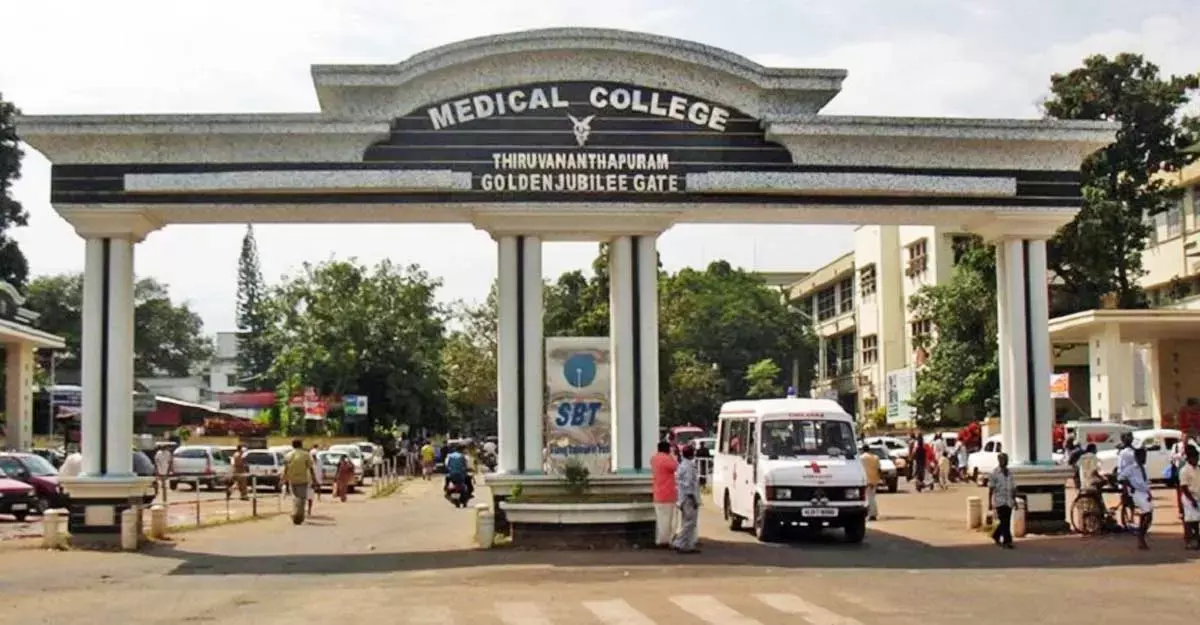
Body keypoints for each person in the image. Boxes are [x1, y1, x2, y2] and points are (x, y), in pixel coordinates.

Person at [1119, 446, 1154, 550]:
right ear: (1137, 457)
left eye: (1145, 456)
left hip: (1145, 493)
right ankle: (1140, 536)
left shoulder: (1144, 468)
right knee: (1147, 514)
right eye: (1142, 456)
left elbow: (1145, 482)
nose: (1144, 458)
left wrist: (1149, 493)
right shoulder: (1131, 468)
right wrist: (1130, 487)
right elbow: (1121, 478)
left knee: (1148, 515)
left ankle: (1141, 534)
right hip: (1136, 493)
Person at [281, 439, 319, 525]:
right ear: (301, 445)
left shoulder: (288, 455)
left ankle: (296, 514)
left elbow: (286, 469)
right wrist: (314, 479)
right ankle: (299, 516)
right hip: (303, 480)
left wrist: (283, 479)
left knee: (295, 498)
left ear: (293, 445)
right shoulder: (306, 455)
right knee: (302, 499)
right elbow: (311, 468)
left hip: (292, 480)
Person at [672, 445, 700, 553]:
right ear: (692, 454)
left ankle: (688, 545)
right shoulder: (689, 467)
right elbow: (689, 485)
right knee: (690, 523)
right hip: (689, 497)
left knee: (686, 522)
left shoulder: (682, 465)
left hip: (682, 497)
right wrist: (694, 499)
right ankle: (679, 542)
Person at [650, 441, 679, 547]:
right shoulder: (667, 459)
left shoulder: (654, 459)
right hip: (668, 493)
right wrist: (672, 456)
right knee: (668, 520)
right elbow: (676, 466)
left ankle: (660, 540)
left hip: (657, 493)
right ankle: (666, 540)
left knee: (660, 519)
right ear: (667, 449)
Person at [988, 452, 1016, 549]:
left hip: (1008, 500)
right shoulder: (994, 473)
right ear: (999, 461)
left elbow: (1013, 488)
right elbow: (991, 489)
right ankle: (1007, 541)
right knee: (1004, 521)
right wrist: (990, 503)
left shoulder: (1010, 473)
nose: (1004, 461)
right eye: (1002, 460)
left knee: (1005, 521)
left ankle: (996, 535)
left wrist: (1014, 500)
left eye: (1005, 459)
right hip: (1000, 501)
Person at [1178, 445, 1200, 549]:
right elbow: (1184, 487)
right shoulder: (1184, 470)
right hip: (1189, 498)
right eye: (1195, 458)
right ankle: (1188, 541)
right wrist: (1192, 500)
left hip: (1198, 497)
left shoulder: (1198, 469)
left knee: (1196, 520)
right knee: (1189, 521)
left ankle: (1197, 539)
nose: (1196, 460)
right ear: (1190, 458)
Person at [860, 444, 880, 521]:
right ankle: (872, 513)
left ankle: (872, 514)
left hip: (866, 480)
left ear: (862, 450)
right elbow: (879, 469)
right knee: (872, 497)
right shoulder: (875, 457)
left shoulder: (861, 458)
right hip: (874, 479)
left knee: (869, 498)